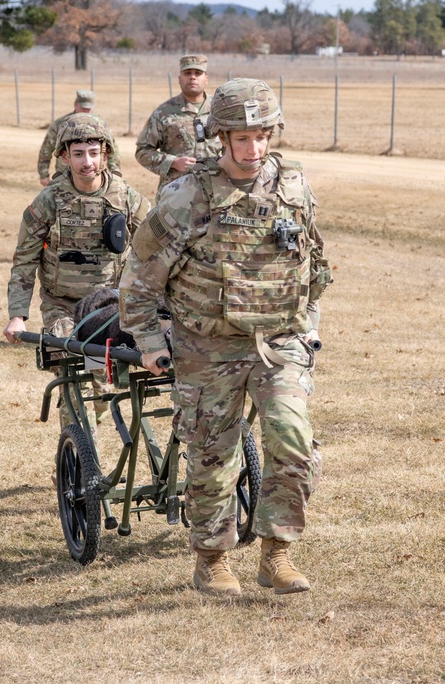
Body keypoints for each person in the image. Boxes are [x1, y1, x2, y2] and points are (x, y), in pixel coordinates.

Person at [119, 79, 333, 597]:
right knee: (214, 458)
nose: (254, 149)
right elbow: (140, 276)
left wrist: (309, 326)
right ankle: (211, 559)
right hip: (206, 348)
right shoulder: (186, 197)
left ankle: (276, 554)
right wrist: (149, 340)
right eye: (241, 138)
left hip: (277, 340)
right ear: (221, 137)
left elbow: (314, 264)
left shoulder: (294, 187)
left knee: (293, 440)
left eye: (262, 136)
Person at [4, 113, 150, 427]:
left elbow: (157, 244)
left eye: (94, 153)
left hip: (106, 307)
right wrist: (17, 315)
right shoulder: (49, 202)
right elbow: (24, 261)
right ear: (65, 157)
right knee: (72, 371)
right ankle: (77, 461)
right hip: (62, 305)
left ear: (106, 154)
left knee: (98, 377)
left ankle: (88, 421)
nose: (87, 162)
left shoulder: (126, 198)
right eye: (79, 154)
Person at [135, 54, 222, 203]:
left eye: (198, 73)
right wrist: (173, 162)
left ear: (206, 79)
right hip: (176, 196)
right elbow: (143, 151)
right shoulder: (164, 112)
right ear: (180, 79)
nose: (193, 77)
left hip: (216, 193)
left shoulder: (220, 109)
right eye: (188, 73)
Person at [37, 90, 121, 186]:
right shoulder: (61, 124)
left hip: (91, 176)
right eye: (83, 108)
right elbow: (46, 149)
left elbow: (111, 148)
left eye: (88, 109)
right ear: (75, 105)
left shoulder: (99, 125)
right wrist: (43, 173)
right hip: (65, 176)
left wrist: (115, 171)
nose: (85, 111)